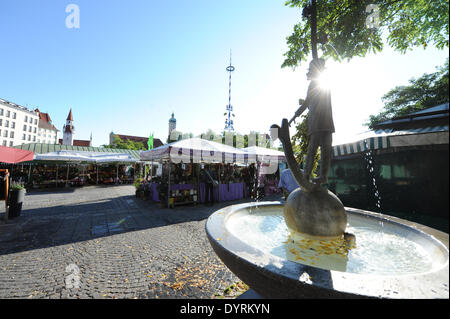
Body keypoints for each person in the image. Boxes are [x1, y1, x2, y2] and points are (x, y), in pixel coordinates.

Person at [291, 58, 335, 185]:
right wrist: (295, 115)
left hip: (325, 122)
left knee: (325, 150)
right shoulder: (315, 84)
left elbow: (306, 103)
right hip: (317, 122)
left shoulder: (325, 82)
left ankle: (322, 176)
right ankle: (307, 175)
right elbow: (306, 103)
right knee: (314, 149)